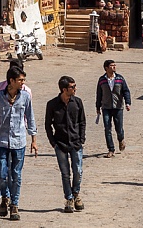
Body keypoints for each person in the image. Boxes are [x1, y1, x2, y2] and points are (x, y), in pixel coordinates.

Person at [0, 67, 38, 221]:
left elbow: (30, 117)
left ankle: (14, 205)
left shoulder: (25, 97)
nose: (23, 83)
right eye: (20, 80)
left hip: (19, 141)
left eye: (23, 80)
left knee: (16, 175)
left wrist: (34, 139)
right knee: (1, 174)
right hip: (1, 141)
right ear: (12, 81)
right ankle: (5, 197)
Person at [45, 76, 86, 213]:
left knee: (78, 171)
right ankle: (68, 198)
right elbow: (47, 125)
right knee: (65, 173)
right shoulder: (52, 104)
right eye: (72, 87)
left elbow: (82, 122)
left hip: (76, 143)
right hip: (60, 143)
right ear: (64, 89)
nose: (75, 89)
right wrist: (53, 142)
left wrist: (81, 139)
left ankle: (76, 194)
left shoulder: (78, 102)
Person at [95, 60, 131, 158]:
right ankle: (111, 149)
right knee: (107, 128)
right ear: (106, 68)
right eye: (112, 65)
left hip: (118, 107)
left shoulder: (120, 78)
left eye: (115, 65)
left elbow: (126, 91)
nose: (114, 67)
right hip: (106, 107)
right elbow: (99, 94)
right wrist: (98, 107)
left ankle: (121, 139)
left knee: (119, 128)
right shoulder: (102, 80)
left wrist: (128, 103)